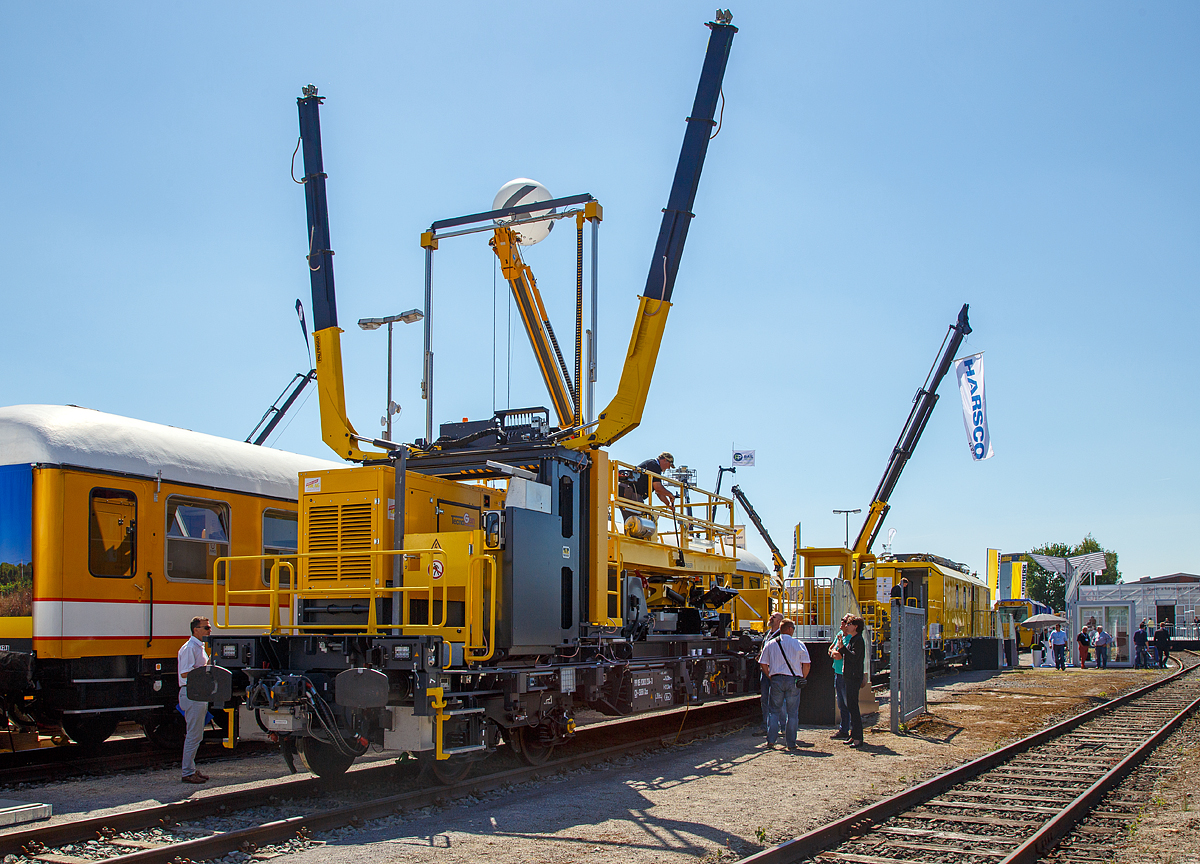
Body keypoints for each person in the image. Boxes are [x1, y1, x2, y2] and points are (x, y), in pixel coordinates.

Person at [757, 618, 811, 751]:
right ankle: (791, 743)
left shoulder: (770, 644)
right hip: (793, 680)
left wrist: (770, 675)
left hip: (776, 679)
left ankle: (771, 741)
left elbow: (762, 662)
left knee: (774, 711)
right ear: (790, 629)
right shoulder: (798, 644)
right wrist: (802, 677)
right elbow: (807, 664)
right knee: (792, 713)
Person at [178, 616, 212, 784]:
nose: (209, 630)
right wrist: (206, 672)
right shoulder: (190, 648)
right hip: (193, 694)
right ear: (195, 629)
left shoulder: (198, 647)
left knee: (196, 735)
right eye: (206, 627)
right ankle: (187, 772)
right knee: (193, 735)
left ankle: (190, 769)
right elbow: (185, 672)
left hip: (197, 694)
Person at [618, 452, 676, 522]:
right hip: (630, 492)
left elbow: (658, 492)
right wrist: (670, 495)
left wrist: (668, 504)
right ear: (665, 460)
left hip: (627, 491)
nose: (668, 467)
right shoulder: (654, 466)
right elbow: (658, 488)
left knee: (633, 521)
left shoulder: (652, 465)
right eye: (669, 464)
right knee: (639, 521)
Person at [754, 612, 784, 736]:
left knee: (779, 700)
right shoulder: (767, 634)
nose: (770, 618)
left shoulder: (781, 636)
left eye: (774, 617)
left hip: (776, 671)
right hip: (765, 671)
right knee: (765, 699)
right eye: (771, 616)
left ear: (779, 621)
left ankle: (783, 726)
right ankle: (766, 725)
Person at [840, 616, 867, 747]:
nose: (847, 626)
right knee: (850, 706)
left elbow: (854, 657)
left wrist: (843, 649)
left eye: (849, 624)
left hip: (853, 676)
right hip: (849, 676)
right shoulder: (853, 639)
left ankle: (858, 737)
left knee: (853, 707)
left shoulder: (858, 640)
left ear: (856, 626)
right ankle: (853, 734)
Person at [828, 615, 852, 740]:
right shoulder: (840, 635)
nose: (841, 623)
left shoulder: (850, 639)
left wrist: (834, 653)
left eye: (844, 622)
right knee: (841, 703)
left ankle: (852, 730)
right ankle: (844, 729)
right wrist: (834, 653)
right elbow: (831, 650)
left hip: (846, 675)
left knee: (848, 703)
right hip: (837, 672)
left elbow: (839, 656)